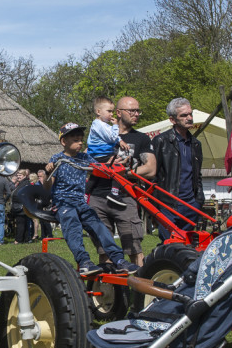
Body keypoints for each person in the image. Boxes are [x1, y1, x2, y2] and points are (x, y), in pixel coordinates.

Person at [45, 123, 140, 276]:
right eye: (75, 140)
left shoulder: (84, 157)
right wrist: (47, 173)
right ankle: (84, 261)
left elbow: (101, 168)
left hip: (80, 202)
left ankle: (118, 260)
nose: (80, 142)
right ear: (64, 141)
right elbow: (47, 187)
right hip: (63, 202)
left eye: (81, 139)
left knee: (99, 226)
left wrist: (113, 165)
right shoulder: (57, 159)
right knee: (73, 224)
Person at [88, 95, 156, 266]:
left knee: (134, 248)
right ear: (118, 113)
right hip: (98, 197)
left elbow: (150, 168)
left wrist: (124, 171)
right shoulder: (98, 132)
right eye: (132, 110)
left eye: (138, 110)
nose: (136, 114)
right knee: (104, 251)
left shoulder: (141, 138)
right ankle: (109, 291)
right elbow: (88, 162)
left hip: (125, 198)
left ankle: (139, 290)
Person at [152, 98, 204, 242]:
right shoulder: (161, 141)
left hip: (191, 205)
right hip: (167, 205)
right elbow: (153, 175)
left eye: (190, 114)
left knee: (187, 246)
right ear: (172, 120)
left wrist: (198, 200)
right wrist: (156, 205)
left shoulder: (196, 144)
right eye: (184, 115)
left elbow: (197, 175)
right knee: (170, 244)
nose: (189, 118)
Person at [86, 96, 129, 162]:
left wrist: (120, 141)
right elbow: (112, 138)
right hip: (100, 155)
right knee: (121, 160)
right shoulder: (99, 125)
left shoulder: (104, 125)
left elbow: (112, 135)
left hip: (105, 153)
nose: (111, 114)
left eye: (112, 111)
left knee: (121, 156)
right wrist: (115, 125)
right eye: (109, 111)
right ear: (98, 112)